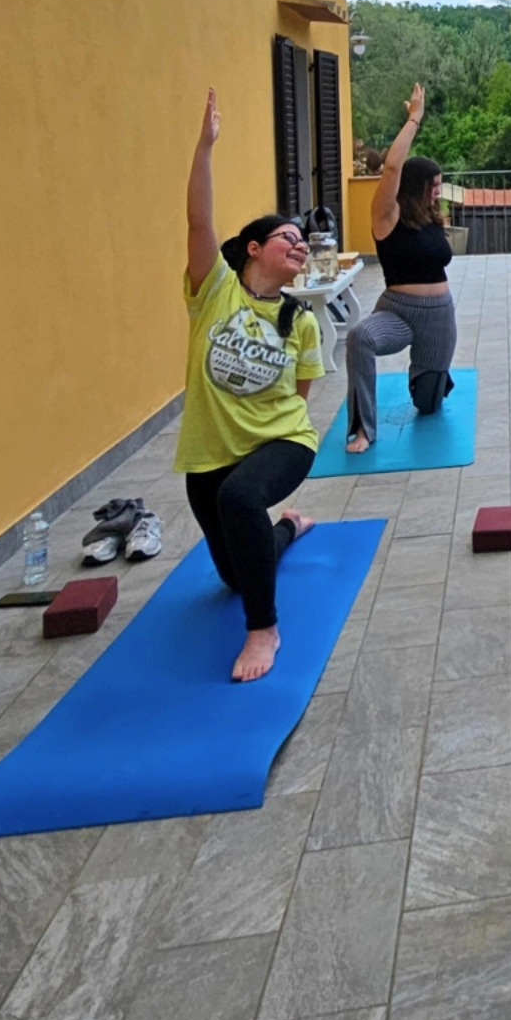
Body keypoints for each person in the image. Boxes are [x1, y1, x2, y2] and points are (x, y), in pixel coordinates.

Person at [180, 89, 322, 682]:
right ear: (255, 249)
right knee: (238, 572)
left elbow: (303, 398)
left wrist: (276, 435)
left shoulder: (301, 320)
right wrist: (206, 147)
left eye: (303, 244)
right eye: (288, 237)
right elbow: (199, 220)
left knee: (242, 501)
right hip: (209, 458)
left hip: (282, 442)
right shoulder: (216, 291)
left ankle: (264, 631)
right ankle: (289, 527)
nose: (300, 246)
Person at [344, 84, 457, 455]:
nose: (439, 193)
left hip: (439, 317)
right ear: (415, 188)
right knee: (360, 337)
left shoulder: (430, 217)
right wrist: (414, 118)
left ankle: (424, 379)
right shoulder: (386, 216)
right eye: (434, 187)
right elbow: (392, 165)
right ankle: (363, 429)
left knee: (429, 406)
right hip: (398, 313)